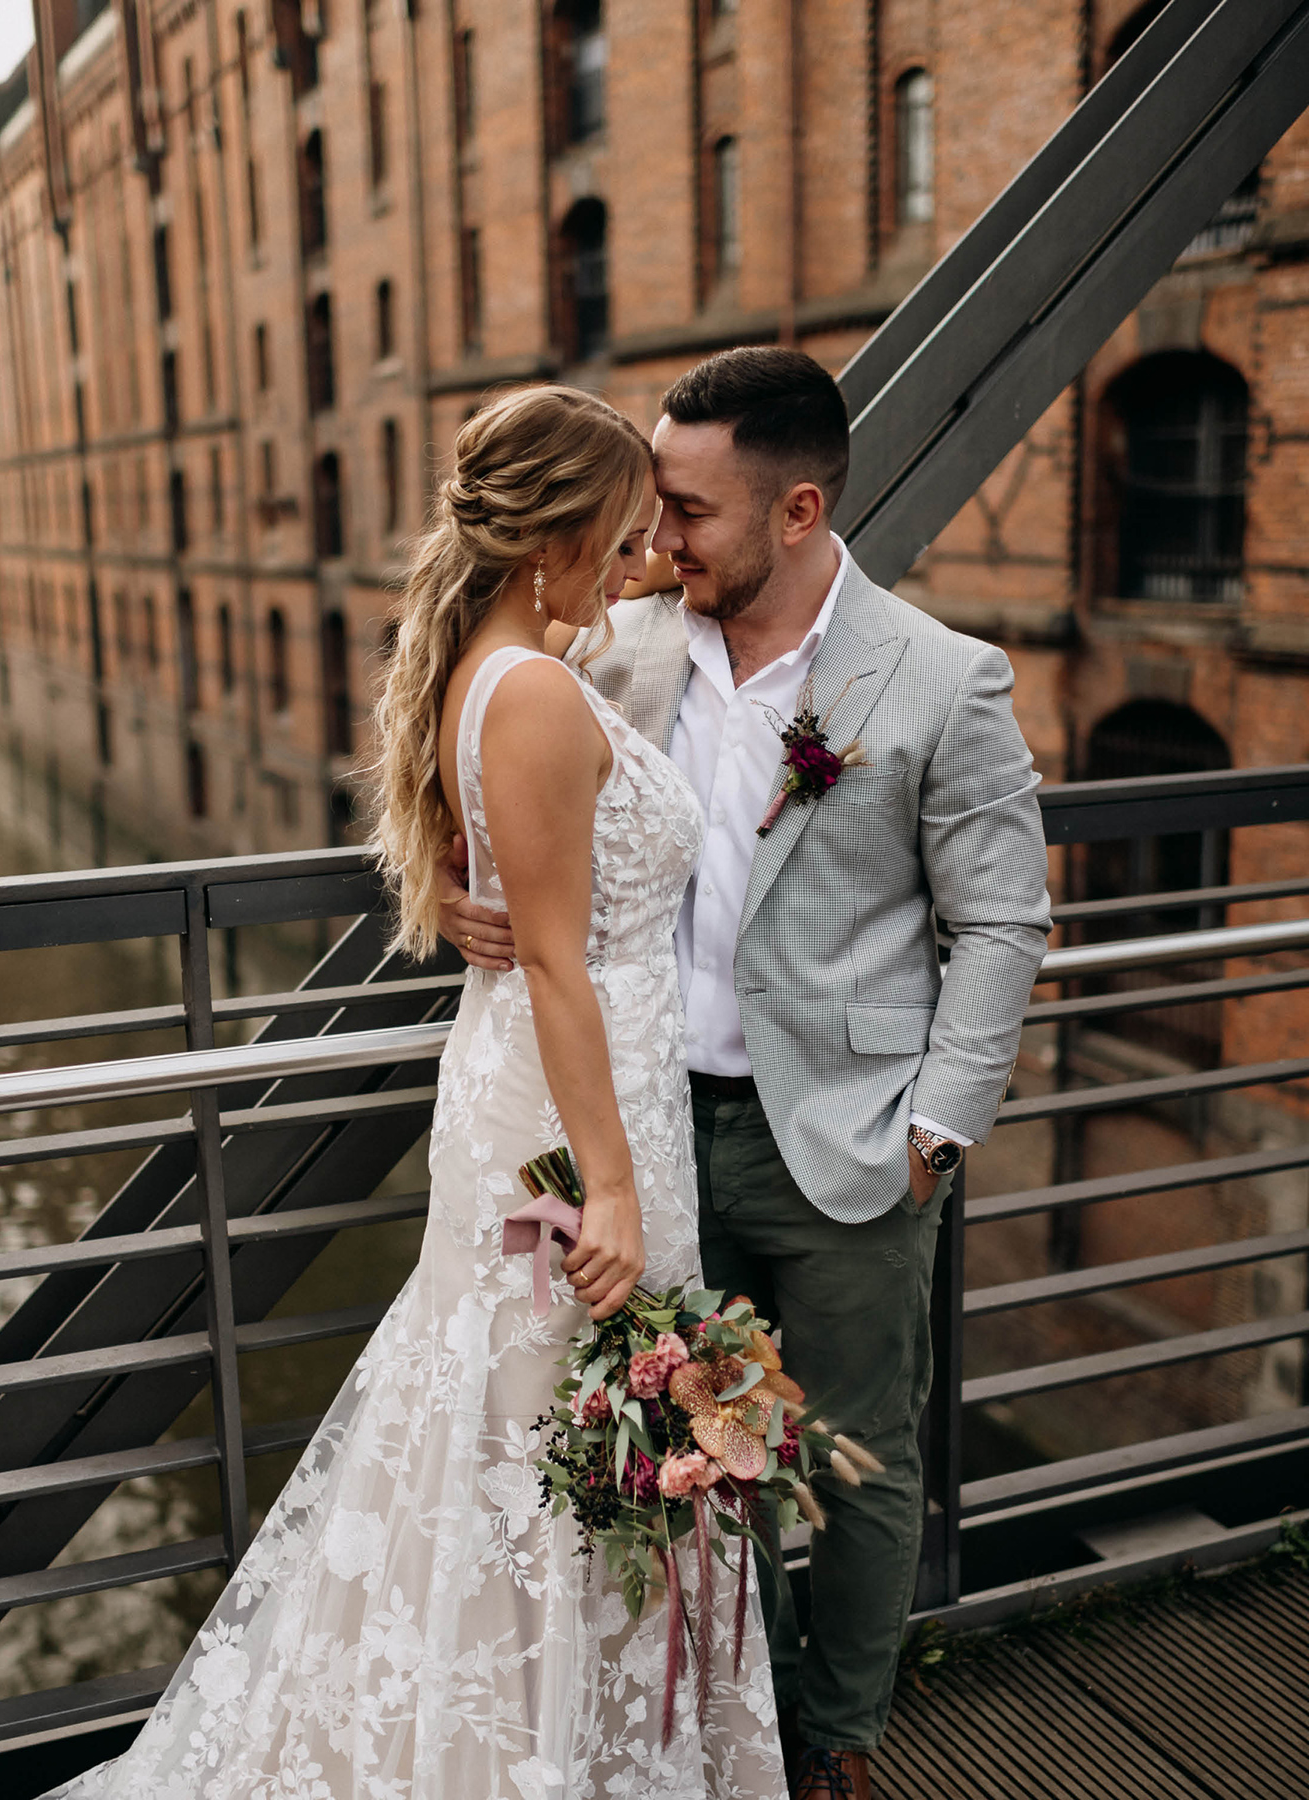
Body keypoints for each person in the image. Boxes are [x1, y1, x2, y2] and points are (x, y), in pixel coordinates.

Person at [40, 384, 787, 1800]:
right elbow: (560, 965)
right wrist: (615, 1187)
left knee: (531, 1424)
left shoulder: (506, 670)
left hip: (577, 1081)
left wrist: (458, 887)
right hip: (574, 1112)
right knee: (543, 1421)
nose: (641, 563)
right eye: (623, 538)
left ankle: (541, 1735)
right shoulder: (534, 696)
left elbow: (519, 873)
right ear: (545, 544)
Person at [442, 348, 1053, 1800]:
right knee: (682, 1468)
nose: (656, 539)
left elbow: (1005, 922)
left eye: (689, 512)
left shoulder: (939, 678)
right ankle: (741, 1735)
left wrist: (937, 1134)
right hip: (648, 1142)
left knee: (854, 1467)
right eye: (651, 507)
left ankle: (836, 1745)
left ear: (794, 511)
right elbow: (486, 778)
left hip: (847, 1145)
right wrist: (458, 904)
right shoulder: (615, 649)